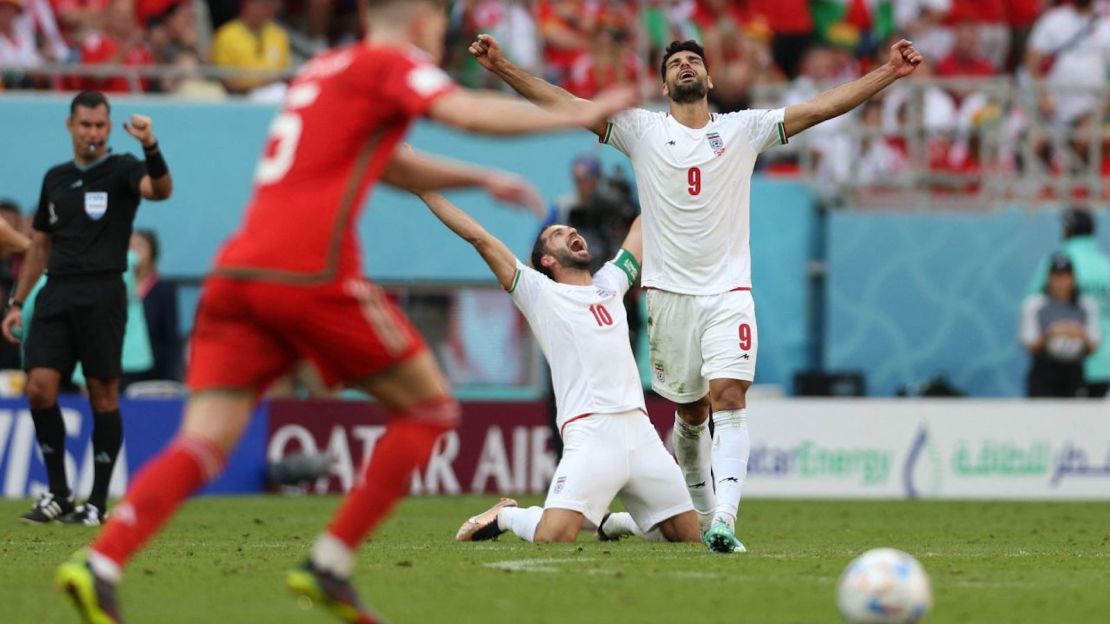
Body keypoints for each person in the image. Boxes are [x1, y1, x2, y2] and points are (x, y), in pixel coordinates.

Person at [53, 2, 633, 622]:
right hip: (307, 271)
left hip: (238, 271)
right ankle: (330, 563)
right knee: (431, 407)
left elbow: (380, 160)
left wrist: (480, 180)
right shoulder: (388, 60)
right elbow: (464, 112)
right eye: (438, 18)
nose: (442, 31)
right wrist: (584, 114)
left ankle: (102, 562)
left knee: (205, 440)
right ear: (415, 19)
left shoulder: (324, 68)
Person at [470, 32, 923, 553]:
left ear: (709, 79)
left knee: (728, 397)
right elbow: (567, 106)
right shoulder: (640, 130)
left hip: (728, 293)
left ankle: (723, 520)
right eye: (675, 63)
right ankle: (698, 518)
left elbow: (820, 107)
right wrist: (503, 66)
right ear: (665, 85)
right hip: (668, 301)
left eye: (694, 61)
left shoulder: (743, 129)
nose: (685, 66)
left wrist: (887, 73)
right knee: (688, 416)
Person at [416, 191, 697, 545]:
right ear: (547, 260)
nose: (571, 233)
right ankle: (507, 515)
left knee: (689, 538)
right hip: (591, 431)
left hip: (641, 430)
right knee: (555, 536)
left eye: (571, 229)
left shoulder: (612, 282)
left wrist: (671, 170)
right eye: (558, 234)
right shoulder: (538, 293)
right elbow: (479, 238)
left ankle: (613, 524)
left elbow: (643, 229)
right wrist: (424, 190)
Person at [2, 90, 173, 527]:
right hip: (57, 291)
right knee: (39, 387)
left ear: (109, 127)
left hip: (103, 293)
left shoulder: (122, 170)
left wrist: (150, 146)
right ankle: (58, 493)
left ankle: (96, 502)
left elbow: (160, 190)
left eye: (100, 125)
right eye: (85, 125)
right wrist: (19, 301)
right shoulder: (55, 178)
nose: (93, 133)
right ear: (70, 126)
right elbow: (40, 244)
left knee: (102, 393)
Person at [1027, 208, 1110, 397]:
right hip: (1105, 361)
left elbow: (1033, 304)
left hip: (1066, 363)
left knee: (1062, 424)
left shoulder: (1057, 264)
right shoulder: (1106, 266)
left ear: (1068, 231)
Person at [1020, 253, 1101, 397]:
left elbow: (1093, 347)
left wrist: (1080, 334)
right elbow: (1029, 346)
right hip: (1044, 372)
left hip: (1074, 372)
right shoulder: (1034, 304)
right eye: (1056, 276)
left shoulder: (1086, 305)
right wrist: (1050, 335)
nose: (1060, 282)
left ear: (1073, 279)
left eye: (1065, 276)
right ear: (1049, 278)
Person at [126, 229, 181, 382]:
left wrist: (171, 377)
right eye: (129, 247)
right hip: (121, 370)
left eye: (139, 246)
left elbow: (170, 335)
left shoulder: (163, 289)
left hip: (154, 371)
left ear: (152, 253)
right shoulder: (116, 288)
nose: (133, 252)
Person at [211, 0, 291, 94]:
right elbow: (226, 81)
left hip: (275, 92)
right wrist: (260, 84)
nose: (270, 9)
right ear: (248, 5)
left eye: (272, 4)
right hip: (240, 97)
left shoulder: (279, 35)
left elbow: (285, 74)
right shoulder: (226, 35)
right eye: (264, 4)